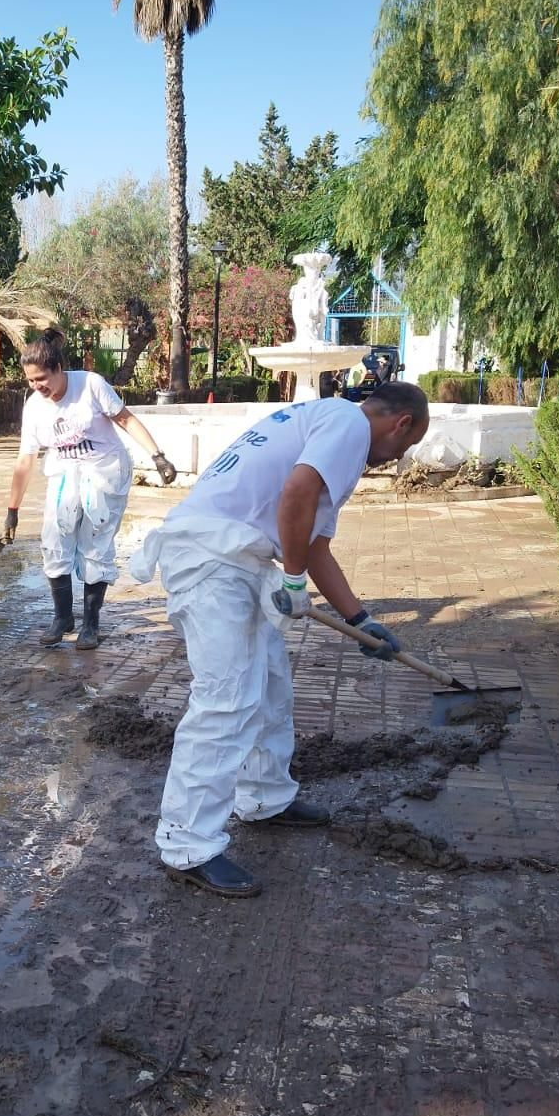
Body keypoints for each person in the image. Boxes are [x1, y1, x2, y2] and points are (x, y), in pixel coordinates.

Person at [128, 382, 431, 898]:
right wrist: (291, 582)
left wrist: (359, 618)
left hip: (233, 558)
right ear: (400, 423)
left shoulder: (322, 422)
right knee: (226, 700)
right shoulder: (349, 424)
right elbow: (296, 495)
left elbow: (313, 547)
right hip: (211, 561)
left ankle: (266, 797)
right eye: (403, 448)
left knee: (269, 687)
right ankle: (188, 845)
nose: (396, 458)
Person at [1, 330, 177, 650]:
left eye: (41, 378)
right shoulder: (35, 407)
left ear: (58, 369)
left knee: (94, 544)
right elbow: (25, 460)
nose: (37, 386)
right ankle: (62, 617)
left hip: (104, 470)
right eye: (30, 381)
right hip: (65, 474)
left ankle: (91, 625)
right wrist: (12, 510)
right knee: (54, 542)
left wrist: (158, 455)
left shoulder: (90, 385)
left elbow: (125, 420)